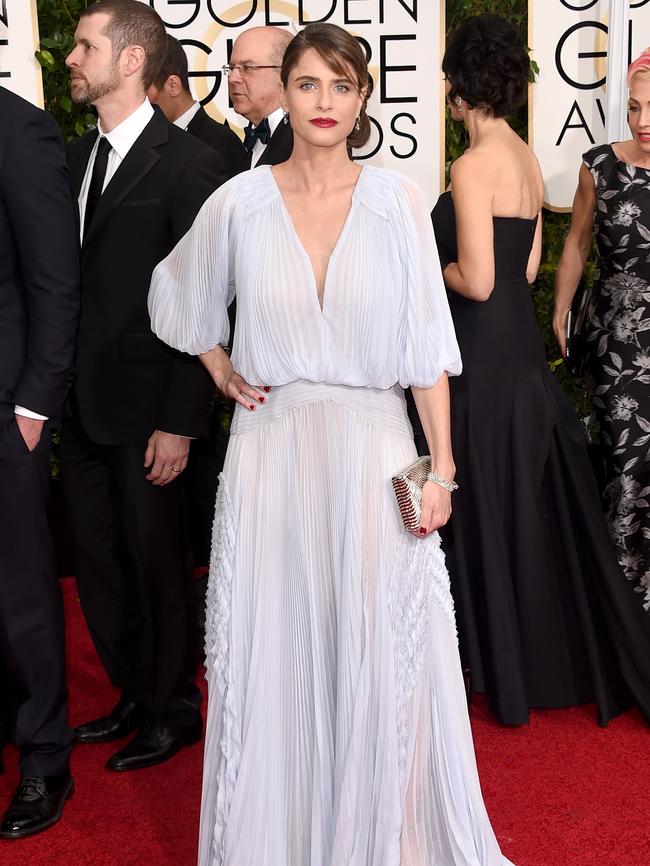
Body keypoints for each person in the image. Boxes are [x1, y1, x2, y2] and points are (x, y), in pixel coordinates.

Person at [150, 21, 518, 866]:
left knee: (380, 650)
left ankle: (379, 839)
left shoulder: (392, 201)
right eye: (310, 83)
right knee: (276, 656)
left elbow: (427, 349)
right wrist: (219, 365)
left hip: (372, 451)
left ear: (362, 102)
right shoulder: (239, 202)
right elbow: (176, 295)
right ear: (286, 88)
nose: (325, 101)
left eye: (342, 86)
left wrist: (444, 472)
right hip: (270, 455)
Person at [432, 14, 650, 728]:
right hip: (522, 358)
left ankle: (494, 663)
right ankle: (527, 659)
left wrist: (420, 266)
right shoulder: (523, 158)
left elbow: (482, 276)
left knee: (483, 509)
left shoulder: (469, 166)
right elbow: (529, 266)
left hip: (482, 363)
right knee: (522, 513)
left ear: (457, 85)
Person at [61, 0, 224, 772]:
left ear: (130, 61)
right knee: (99, 559)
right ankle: (132, 691)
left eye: (85, 46)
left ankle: (173, 706)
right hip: (81, 408)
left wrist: (183, 419)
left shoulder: (189, 165)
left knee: (159, 559)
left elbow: (212, 301)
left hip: (154, 410)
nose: (71, 58)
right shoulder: (74, 159)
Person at [0, 85, 79, 838]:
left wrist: (32, 408)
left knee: (20, 594)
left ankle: (46, 759)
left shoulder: (18, 131)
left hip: (5, 411)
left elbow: (56, 281)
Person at [554, 49, 650, 612]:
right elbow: (577, 242)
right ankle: (620, 617)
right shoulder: (601, 165)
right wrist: (561, 308)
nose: (641, 122)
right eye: (634, 107)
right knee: (624, 466)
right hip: (618, 342)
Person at [148, 32, 247, 571]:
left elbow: (221, 274)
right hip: (191, 354)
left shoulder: (219, 149)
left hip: (218, 362)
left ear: (171, 84)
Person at [147, 33, 246, 174]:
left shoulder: (222, 143)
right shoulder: (145, 142)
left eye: (143, 90)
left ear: (173, 86)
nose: (136, 102)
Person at [226, 25, 294, 167]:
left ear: (284, 73)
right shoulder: (253, 137)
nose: (232, 78)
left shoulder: (301, 143)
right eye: (232, 68)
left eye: (248, 68)